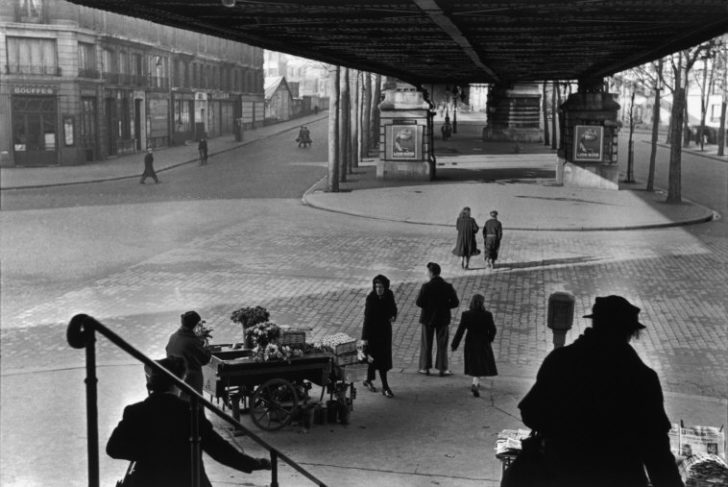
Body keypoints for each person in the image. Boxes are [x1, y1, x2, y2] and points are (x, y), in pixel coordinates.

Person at [517, 295, 684, 487]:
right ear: (630, 333)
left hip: (561, 474)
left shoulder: (560, 361)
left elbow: (530, 413)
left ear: (595, 323)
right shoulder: (642, 378)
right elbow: (657, 453)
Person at [107, 356, 271, 487]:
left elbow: (113, 449)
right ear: (177, 381)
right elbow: (219, 450)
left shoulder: (134, 411)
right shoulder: (190, 412)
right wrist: (253, 463)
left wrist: (149, 454)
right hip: (188, 480)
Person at [415, 262, 460, 377]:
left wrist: (429, 306)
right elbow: (455, 302)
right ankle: (443, 368)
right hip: (443, 318)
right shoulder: (447, 286)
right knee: (442, 344)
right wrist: (444, 306)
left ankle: (425, 367)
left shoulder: (426, 286)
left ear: (431, 273)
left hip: (427, 318)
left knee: (426, 343)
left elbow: (419, 302)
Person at [451, 294, 498, 397]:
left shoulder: (466, 314)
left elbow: (460, 331)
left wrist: (454, 345)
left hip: (471, 342)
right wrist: (489, 339)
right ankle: (475, 383)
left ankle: (475, 383)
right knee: (480, 363)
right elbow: (493, 330)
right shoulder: (487, 315)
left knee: (474, 364)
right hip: (483, 342)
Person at [361, 274, 398, 398]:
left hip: (385, 333)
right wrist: (364, 338)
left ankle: (383, 385)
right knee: (372, 358)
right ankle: (375, 382)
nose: (378, 289)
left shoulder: (389, 295)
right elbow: (367, 319)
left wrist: (393, 315)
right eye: (376, 287)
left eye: (381, 287)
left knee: (383, 360)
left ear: (385, 287)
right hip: (373, 333)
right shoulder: (371, 298)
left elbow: (393, 308)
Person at [166, 311, 212, 396]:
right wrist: (207, 347)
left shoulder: (173, 337)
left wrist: (198, 341)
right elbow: (205, 359)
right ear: (194, 325)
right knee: (195, 406)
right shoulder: (191, 341)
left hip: (174, 380)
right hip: (190, 383)